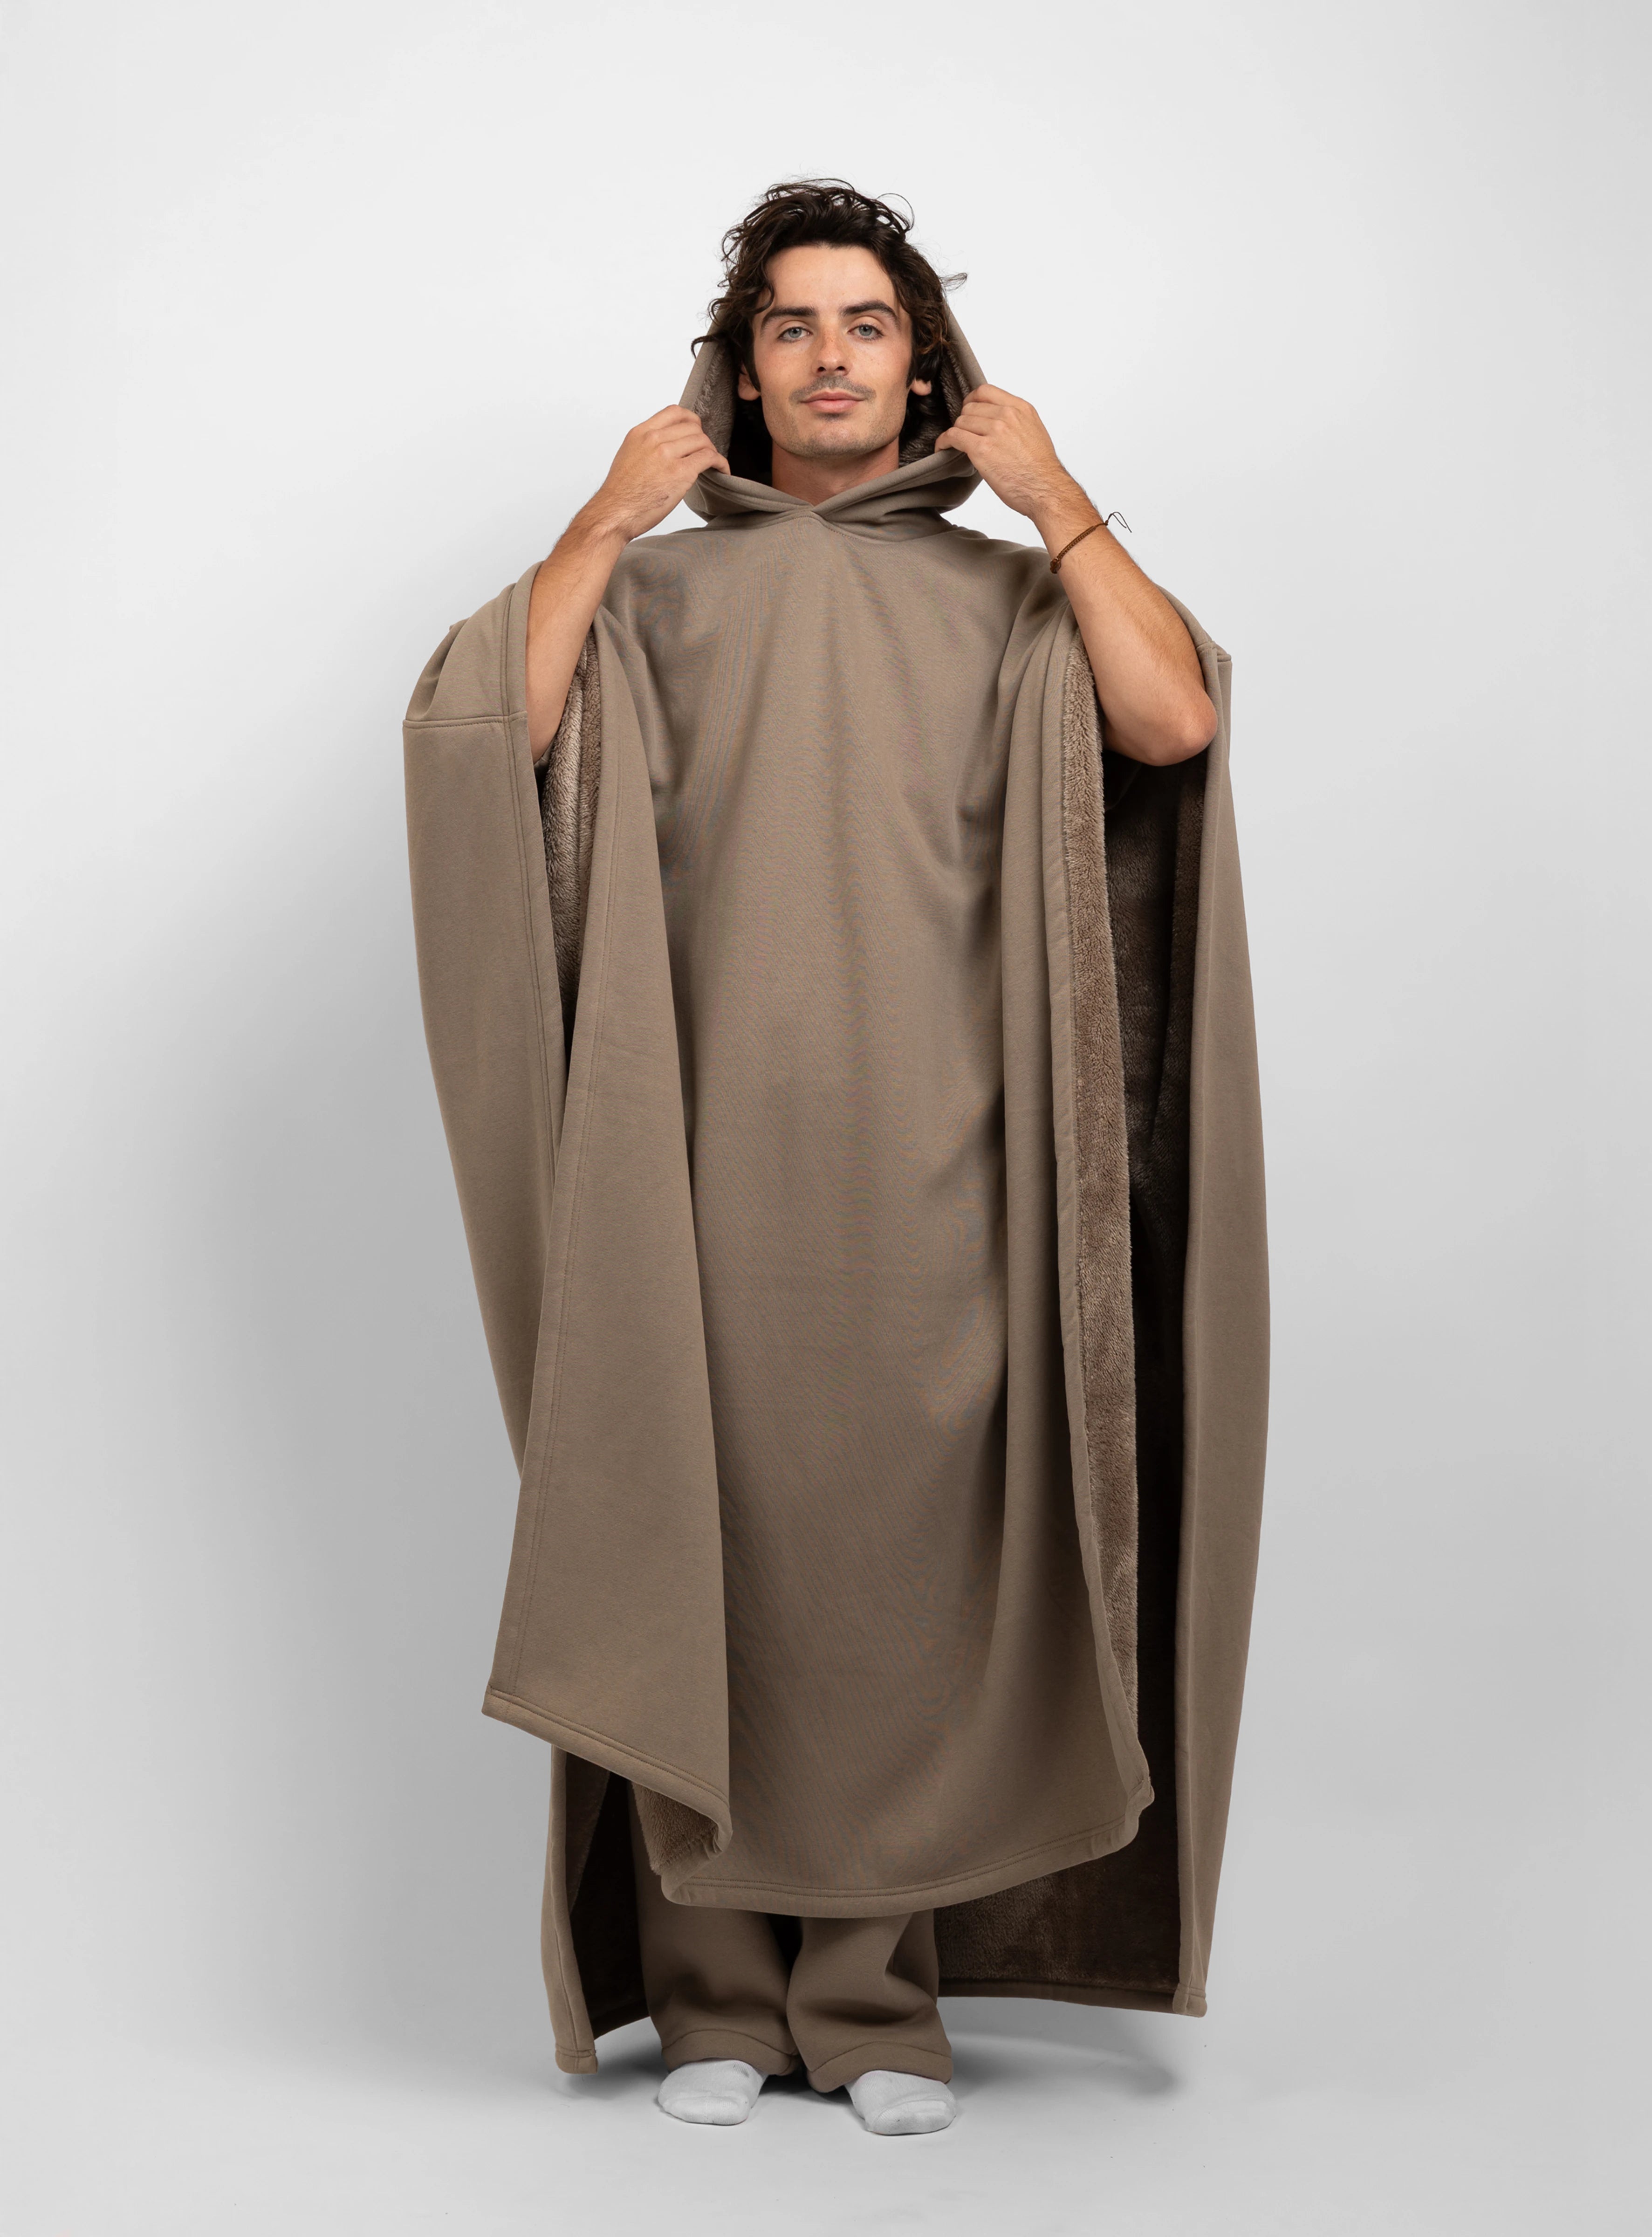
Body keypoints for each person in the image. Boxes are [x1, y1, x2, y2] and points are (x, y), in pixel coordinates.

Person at [403, 178, 1267, 2138]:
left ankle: (875, 2004)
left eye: (867, 322)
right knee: (699, 1545)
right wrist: (603, 520)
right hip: (694, 1163)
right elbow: (482, 739)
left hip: (949, 1168)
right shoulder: (654, 597)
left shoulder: (1011, 596)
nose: (828, 355)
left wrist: (1059, 499)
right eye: (789, 323)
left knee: (904, 1581)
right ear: (742, 365)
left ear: (926, 365)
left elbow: (1171, 720)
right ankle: (713, 1996)